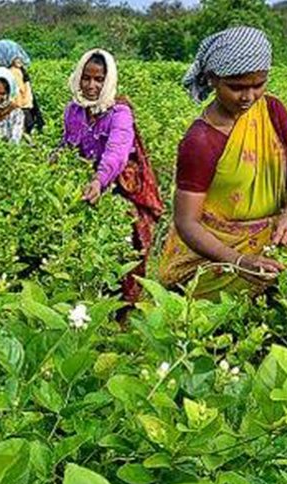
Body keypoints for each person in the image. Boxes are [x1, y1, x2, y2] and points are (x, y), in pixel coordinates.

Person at [158, 27, 287, 299]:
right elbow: (186, 222)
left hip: (273, 243)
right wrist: (238, 261)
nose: (249, 97)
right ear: (213, 79)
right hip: (213, 254)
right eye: (237, 87)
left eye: (259, 84)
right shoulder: (200, 141)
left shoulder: (273, 110)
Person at [49, 49, 164, 304]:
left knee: (127, 249)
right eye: (86, 79)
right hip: (88, 185)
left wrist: (99, 180)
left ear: (108, 80)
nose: (92, 86)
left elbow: (117, 154)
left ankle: (124, 307)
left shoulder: (119, 112)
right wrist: (52, 159)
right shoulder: (74, 110)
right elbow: (68, 143)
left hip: (121, 187)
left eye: (99, 79)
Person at [0, 39, 43, 136]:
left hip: (21, 115)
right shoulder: (17, 70)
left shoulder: (12, 72)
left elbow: (17, 100)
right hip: (24, 114)